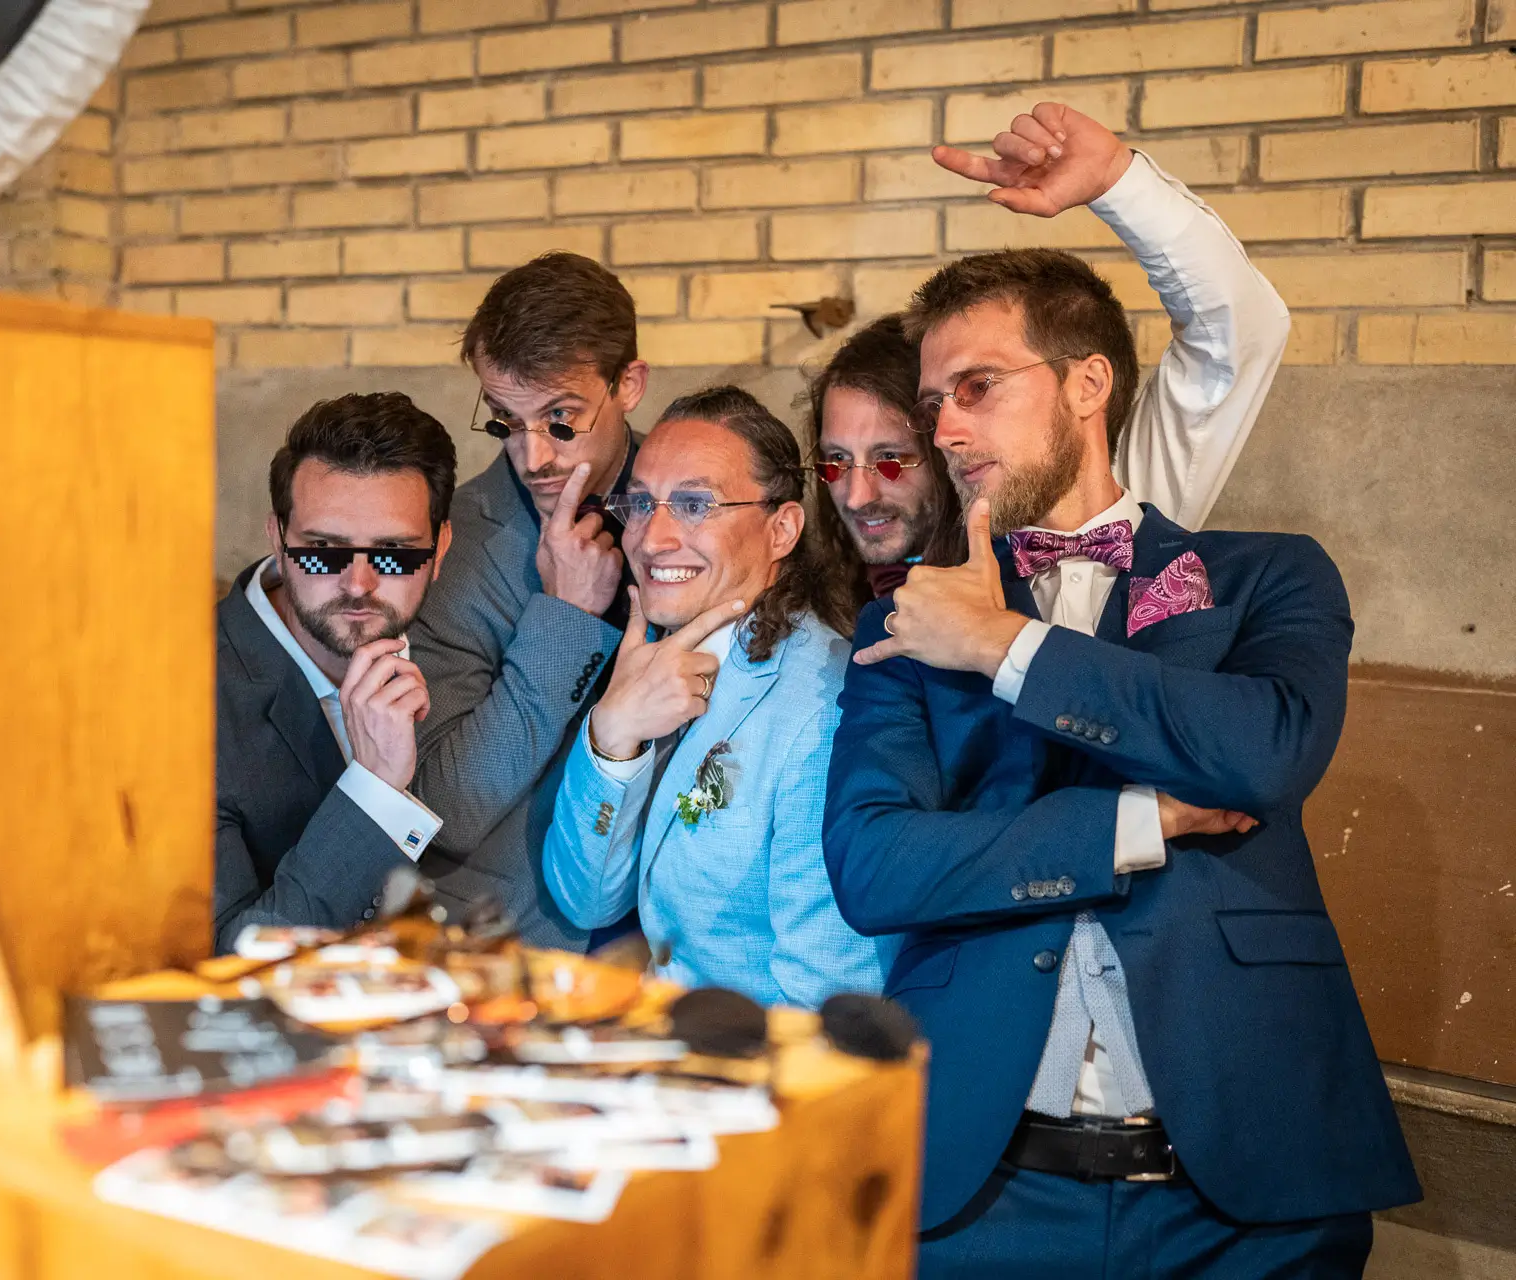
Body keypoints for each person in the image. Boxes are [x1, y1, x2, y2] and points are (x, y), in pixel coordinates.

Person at [821, 250, 1418, 1274]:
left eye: (979, 387)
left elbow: (1265, 748)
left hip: (1247, 1192)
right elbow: (875, 866)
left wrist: (1006, 648)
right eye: (935, 403)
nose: (947, 430)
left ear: (1086, 382)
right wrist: (1140, 821)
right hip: (982, 1185)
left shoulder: (1264, 575)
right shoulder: (907, 619)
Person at [807, 104, 1287, 622]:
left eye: (890, 459)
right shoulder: (812, 590)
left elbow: (1234, 335)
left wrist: (1117, 183)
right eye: (834, 462)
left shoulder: (1079, 506)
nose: (857, 494)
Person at [541, 386, 882, 1008]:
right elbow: (586, 899)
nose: (653, 538)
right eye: (642, 503)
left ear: (781, 530)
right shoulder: (651, 658)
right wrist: (612, 736)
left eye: (696, 504)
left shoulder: (823, 708)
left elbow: (830, 998)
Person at [407, 252, 647, 948]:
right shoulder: (452, 544)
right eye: (507, 421)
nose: (534, 455)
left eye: (560, 419)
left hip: (692, 932)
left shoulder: (709, 495)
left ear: (628, 383)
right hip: (525, 940)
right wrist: (565, 620)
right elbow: (448, 803)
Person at [212, 393, 459, 951]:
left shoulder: (449, 636)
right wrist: (373, 786)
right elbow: (237, 958)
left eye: (394, 551)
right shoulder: (189, 701)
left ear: (440, 547)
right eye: (324, 549)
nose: (358, 585)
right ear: (277, 538)